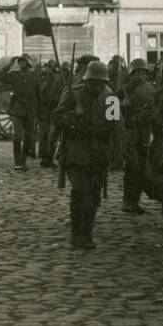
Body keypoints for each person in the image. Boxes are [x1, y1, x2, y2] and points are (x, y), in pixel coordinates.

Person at [51, 59, 117, 249]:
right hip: (76, 152)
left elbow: (115, 125)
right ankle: (76, 234)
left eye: (101, 83)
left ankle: (86, 234)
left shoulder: (111, 98)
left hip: (99, 153)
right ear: (87, 80)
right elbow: (56, 117)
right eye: (94, 82)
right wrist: (73, 117)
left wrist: (116, 151)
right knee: (80, 192)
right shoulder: (74, 93)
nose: (97, 87)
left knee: (94, 196)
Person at [121, 58, 155, 214]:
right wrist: (123, 105)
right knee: (132, 167)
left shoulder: (151, 90)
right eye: (136, 73)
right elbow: (110, 113)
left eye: (142, 73)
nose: (139, 76)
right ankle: (128, 201)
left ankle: (135, 200)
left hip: (145, 133)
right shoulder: (123, 90)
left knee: (142, 167)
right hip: (128, 133)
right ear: (131, 74)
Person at [0, 54, 41, 172]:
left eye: (23, 62)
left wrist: (38, 111)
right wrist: (9, 65)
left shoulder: (34, 76)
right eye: (20, 61)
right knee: (17, 135)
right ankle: (18, 162)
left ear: (28, 64)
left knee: (29, 137)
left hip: (30, 109)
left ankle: (23, 159)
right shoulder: (14, 75)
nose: (21, 63)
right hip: (18, 108)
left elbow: (39, 94)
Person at [37, 60, 63, 168]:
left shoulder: (56, 78)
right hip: (44, 110)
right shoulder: (43, 78)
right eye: (46, 67)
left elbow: (57, 95)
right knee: (45, 134)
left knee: (51, 135)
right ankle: (44, 155)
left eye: (49, 67)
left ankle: (48, 157)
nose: (47, 69)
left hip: (52, 109)